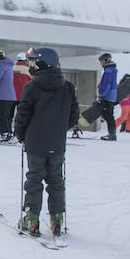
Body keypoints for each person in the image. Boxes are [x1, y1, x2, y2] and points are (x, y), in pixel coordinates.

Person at [13, 47, 79, 238]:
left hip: (35, 143)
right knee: (56, 181)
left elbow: (23, 115)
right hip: (57, 144)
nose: (31, 66)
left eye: (33, 62)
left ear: (43, 63)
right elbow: (74, 115)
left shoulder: (32, 87)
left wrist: (21, 135)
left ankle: (31, 219)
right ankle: (57, 220)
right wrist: (59, 130)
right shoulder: (67, 87)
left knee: (34, 180)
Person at [96, 53, 118, 140]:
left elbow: (106, 84)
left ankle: (112, 134)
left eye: (101, 61)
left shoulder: (108, 70)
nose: (101, 63)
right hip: (112, 94)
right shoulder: (112, 69)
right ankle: (112, 133)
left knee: (108, 115)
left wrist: (101, 93)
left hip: (108, 95)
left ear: (106, 60)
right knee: (109, 115)